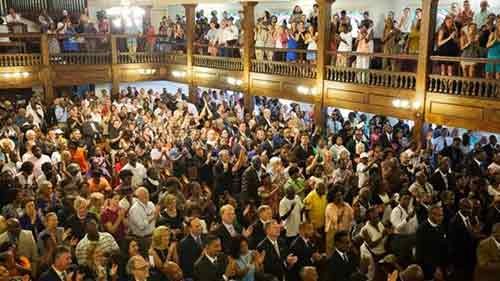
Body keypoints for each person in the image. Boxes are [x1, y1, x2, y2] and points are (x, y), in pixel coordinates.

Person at [416, 205, 448, 281]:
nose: (441, 217)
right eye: (439, 215)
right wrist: (434, 269)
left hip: (441, 265)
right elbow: (422, 253)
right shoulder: (422, 230)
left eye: (442, 215)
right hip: (429, 269)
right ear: (431, 215)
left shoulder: (440, 225)